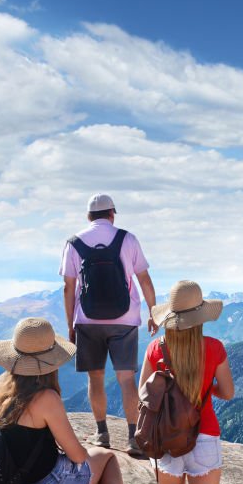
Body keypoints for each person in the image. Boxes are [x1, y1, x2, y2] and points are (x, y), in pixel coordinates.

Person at [0, 317, 143, 484]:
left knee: (87, 467)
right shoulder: (46, 397)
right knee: (105, 456)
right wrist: (85, 448)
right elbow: (78, 457)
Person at [139, 281, 234, 484]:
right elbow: (228, 392)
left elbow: (144, 394)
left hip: (167, 438)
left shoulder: (156, 349)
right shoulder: (215, 348)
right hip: (205, 436)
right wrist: (207, 390)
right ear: (201, 317)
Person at [60, 193, 159, 455]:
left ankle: (101, 433)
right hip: (124, 320)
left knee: (96, 377)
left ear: (88, 216)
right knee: (127, 379)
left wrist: (71, 324)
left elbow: (68, 288)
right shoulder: (128, 239)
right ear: (112, 214)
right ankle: (132, 438)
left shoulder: (73, 242)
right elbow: (144, 279)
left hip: (88, 321)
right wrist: (153, 311)